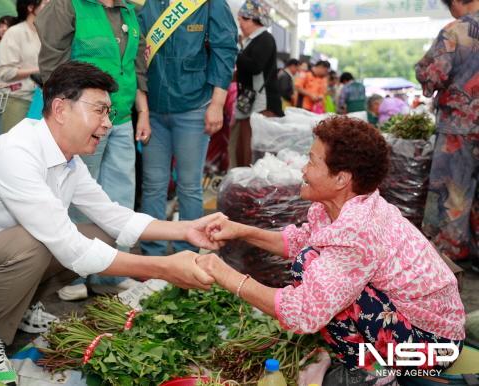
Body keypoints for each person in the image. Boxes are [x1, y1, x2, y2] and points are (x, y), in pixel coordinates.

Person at [0, 61, 223, 372]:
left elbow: (115, 218)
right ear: (60, 109)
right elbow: (68, 246)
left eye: (109, 112)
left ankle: (19, 309)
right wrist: (164, 268)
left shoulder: (69, 162)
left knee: (99, 233)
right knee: (37, 241)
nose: (107, 123)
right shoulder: (17, 153)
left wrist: (187, 230)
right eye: (99, 110)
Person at [198, 116, 466, 385]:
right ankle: (362, 361)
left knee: (312, 268)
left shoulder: (357, 231)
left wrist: (225, 274)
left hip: (435, 348)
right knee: (312, 260)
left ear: (341, 179)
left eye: (312, 161)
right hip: (410, 324)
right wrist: (240, 230)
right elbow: (299, 242)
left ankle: (369, 372)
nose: (303, 169)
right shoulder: (342, 208)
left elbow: (303, 313)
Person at [35, 0, 152, 297]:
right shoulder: (67, 5)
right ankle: (71, 277)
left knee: (121, 195)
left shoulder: (129, 12)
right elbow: (51, 63)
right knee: (76, 195)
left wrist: (144, 112)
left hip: (121, 115)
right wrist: (62, 115)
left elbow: (136, 69)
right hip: (81, 118)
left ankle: (111, 275)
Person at [138, 0, 238, 257]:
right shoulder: (147, 3)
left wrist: (217, 103)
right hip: (154, 107)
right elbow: (136, 54)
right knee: (153, 184)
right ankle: (152, 254)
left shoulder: (209, 3)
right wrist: (142, 110)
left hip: (194, 106)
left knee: (189, 185)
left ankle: (189, 253)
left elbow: (224, 50)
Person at [416, 0, 479, 271]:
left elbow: (434, 76)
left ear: (455, 3)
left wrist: (421, 69)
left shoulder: (454, 31)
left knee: (454, 193)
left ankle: (452, 258)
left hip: (460, 128)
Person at [234, 0, 283, 167]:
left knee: (254, 147)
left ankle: (252, 185)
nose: (239, 24)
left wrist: (236, 52)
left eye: (241, 19)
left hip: (263, 104)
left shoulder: (265, 38)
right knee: (244, 143)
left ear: (251, 19)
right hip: (249, 101)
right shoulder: (250, 40)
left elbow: (255, 66)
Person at [0, 0, 47, 131]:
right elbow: (6, 72)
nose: (50, 6)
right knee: (13, 146)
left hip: (43, 100)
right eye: (45, 3)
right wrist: (38, 70)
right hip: (19, 99)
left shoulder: (47, 33)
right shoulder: (15, 32)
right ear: (31, 7)